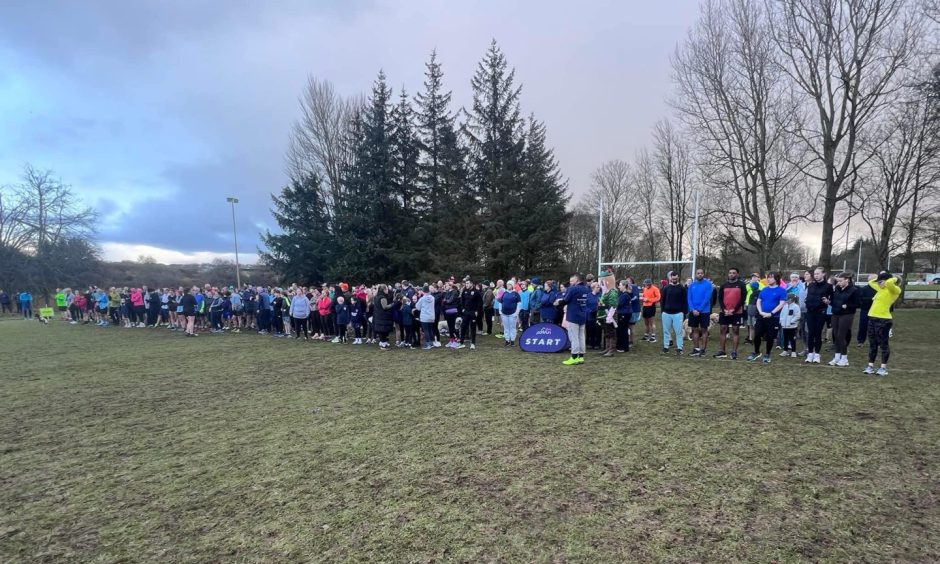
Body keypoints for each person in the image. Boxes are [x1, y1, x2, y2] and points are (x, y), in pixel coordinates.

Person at [864, 272, 902, 376]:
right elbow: (871, 282)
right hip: (872, 318)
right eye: (879, 282)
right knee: (872, 343)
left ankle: (883, 368)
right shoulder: (880, 289)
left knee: (883, 344)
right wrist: (878, 279)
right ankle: (870, 366)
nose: (879, 284)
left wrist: (893, 278)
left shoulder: (894, 290)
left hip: (884, 320)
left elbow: (890, 283)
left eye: (881, 282)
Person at [747, 271, 787, 363]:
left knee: (770, 337)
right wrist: (760, 312)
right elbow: (758, 301)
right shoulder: (764, 289)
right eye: (768, 277)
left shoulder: (781, 290)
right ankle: (756, 352)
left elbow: (781, 304)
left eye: (771, 277)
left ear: (776, 278)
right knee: (757, 335)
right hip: (761, 316)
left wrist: (771, 313)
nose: (768, 279)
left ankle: (767, 354)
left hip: (773, 317)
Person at [555, 273, 589, 365]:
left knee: (574, 337)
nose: (570, 283)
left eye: (571, 281)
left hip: (573, 315)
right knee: (581, 336)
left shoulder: (572, 289)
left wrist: (558, 302)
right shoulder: (586, 288)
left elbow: (566, 300)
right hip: (582, 315)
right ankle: (581, 357)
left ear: (577, 280)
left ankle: (574, 357)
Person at [714, 268, 747, 360]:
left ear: (737, 274)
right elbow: (720, 298)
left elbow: (742, 299)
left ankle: (734, 352)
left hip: (737, 312)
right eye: (730, 273)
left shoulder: (741, 285)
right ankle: (722, 351)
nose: (731, 274)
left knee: (735, 331)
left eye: (733, 273)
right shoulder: (724, 285)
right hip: (724, 312)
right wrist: (724, 309)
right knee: (723, 330)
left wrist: (734, 309)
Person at [829, 272, 860, 367]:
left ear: (847, 280)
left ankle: (844, 358)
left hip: (847, 314)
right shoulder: (837, 289)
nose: (839, 283)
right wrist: (829, 302)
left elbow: (858, 303)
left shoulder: (854, 290)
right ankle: (837, 356)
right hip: (836, 314)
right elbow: (834, 301)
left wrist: (848, 306)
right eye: (838, 281)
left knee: (841, 336)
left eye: (841, 281)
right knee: (835, 335)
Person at [804, 267, 833, 364]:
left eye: (818, 273)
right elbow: (808, 296)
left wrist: (827, 301)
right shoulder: (811, 285)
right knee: (810, 333)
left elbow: (832, 300)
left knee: (817, 333)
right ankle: (810, 353)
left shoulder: (828, 286)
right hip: (810, 312)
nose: (816, 275)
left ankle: (817, 354)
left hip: (820, 312)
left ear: (823, 274)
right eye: (815, 274)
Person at [687, 269, 713, 357]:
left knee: (704, 330)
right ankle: (696, 349)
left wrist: (699, 309)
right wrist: (692, 309)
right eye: (698, 273)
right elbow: (689, 298)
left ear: (703, 274)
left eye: (701, 273)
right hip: (693, 311)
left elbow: (707, 298)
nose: (700, 274)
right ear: (696, 275)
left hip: (704, 311)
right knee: (694, 329)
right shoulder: (691, 285)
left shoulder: (708, 284)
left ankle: (703, 349)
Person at [660, 271, 687, 356]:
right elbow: (662, 300)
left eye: (676, 278)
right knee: (666, 331)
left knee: (678, 332)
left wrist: (683, 312)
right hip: (666, 313)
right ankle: (666, 347)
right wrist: (663, 311)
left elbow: (684, 301)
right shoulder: (666, 288)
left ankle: (679, 348)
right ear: (670, 278)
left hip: (678, 313)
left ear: (678, 277)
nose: (674, 279)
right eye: (673, 277)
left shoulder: (682, 288)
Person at [597, 270, 619, 357]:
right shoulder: (605, 291)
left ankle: (611, 349)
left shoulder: (612, 292)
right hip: (603, 315)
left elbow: (613, 305)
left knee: (611, 332)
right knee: (606, 332)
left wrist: (609, 316)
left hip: (610, 316)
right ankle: (607, 348)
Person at [457, 278, 481, 350]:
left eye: (467, 283)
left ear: (471, 284)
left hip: (473, 312)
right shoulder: (464, 291)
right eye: (466, 283)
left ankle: (473, 343)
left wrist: (477, 311)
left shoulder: (476, 292)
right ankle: (461, 343)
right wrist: (463, 308)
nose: (466, 285)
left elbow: (480, 302)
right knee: (463, 327)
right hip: (466, 312)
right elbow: (462, 300)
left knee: (473, 328)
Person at [615, 280, 633, 352]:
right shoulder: (624, 295)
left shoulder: (625, 295)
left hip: (624, 314)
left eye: (620, 285)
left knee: (622, 330)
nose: (619, 286)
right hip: (625, 313)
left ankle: (623, 347)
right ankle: (623, 346)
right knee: (623, 330)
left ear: (624, 286)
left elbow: (618, 304)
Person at [857, 281, 876, 347]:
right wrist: (871, 299)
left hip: (876, 311)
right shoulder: (864, 289)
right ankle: (860, 341)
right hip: (865, 310)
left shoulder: (879, 289)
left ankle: (875, 342)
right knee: (863, 326)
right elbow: (861, 299)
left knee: (876, 327)